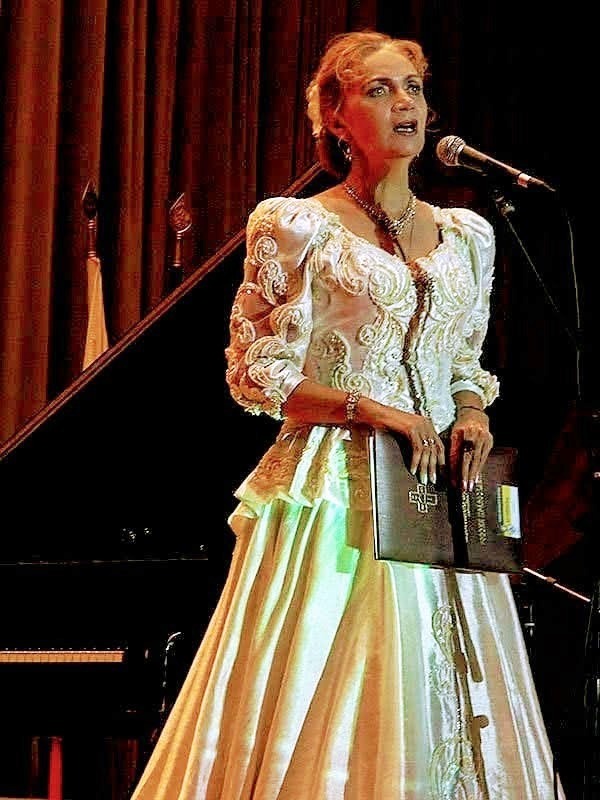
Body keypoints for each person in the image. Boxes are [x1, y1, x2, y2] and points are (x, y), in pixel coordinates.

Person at [130, 30, 564, 799]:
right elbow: (257, 375)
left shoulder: (469, 235)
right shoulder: (297, 225)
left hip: (441, 493)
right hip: (336, 487)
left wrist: (471, 411)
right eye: (378, 89)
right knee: (348, 675)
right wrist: (374, 410)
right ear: (335, 118)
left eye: (413, 88)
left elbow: (465, 360)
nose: (405, 104)